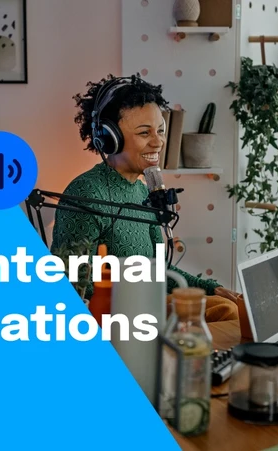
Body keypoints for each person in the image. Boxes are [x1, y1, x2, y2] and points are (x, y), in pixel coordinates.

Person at [50, 74, 241, 321]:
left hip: (148, 307)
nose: (158, 142)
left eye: (160, 131)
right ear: (110, 139)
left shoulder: (142, 190)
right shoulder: (86, 193)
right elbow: (73, 289)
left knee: (226, 308)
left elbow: (158, 269)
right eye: (144, 133)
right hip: (114, 322)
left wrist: (212, 288)